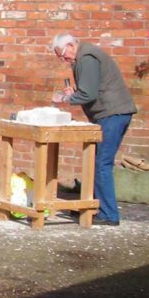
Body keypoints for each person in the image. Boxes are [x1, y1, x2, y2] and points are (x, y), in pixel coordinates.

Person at [51, 33, 136, 226]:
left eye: (63, 55)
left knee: (101, 164)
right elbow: (90, 90)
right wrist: (75, 94)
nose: (63, 60)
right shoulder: (85, 56)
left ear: (71, 46)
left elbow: (88, 94)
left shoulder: (87, 58)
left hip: (112, 114)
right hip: (113, 113)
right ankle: (99, 208)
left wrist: (65, 99)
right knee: (98, 162)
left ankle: (109, 214)